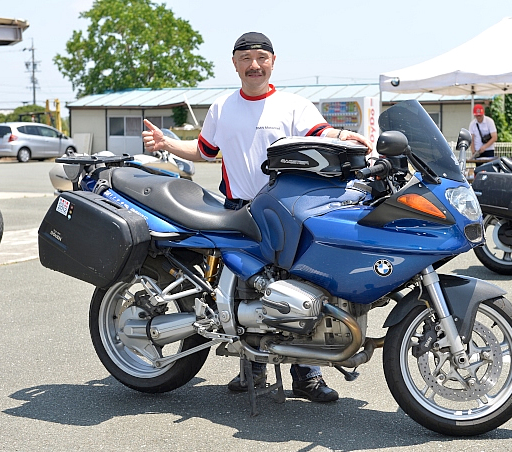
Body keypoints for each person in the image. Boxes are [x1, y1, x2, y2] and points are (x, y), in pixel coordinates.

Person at [142, 31, 372, 403]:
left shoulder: (293, 105)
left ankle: (306, 375)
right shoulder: (221, 108)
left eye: (261, 57)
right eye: (245, 58)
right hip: (237, 211)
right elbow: (205, 150)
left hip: (289, 211)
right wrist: (166, 144)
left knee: (300, 289)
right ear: (235, 64)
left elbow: (323, 133)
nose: (254, 65)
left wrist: (345, 135)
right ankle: (252, 368)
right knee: (244, 290)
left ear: (273, 61)